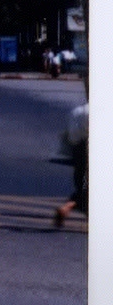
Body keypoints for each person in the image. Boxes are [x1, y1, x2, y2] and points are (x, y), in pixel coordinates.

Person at [55, 83, 88, 228]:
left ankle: (67, 207)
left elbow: (72, 137)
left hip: (80, 152)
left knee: (83, 187)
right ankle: (68, 207)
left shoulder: (78, 111)